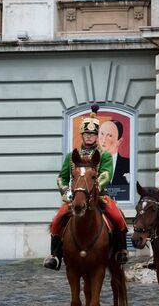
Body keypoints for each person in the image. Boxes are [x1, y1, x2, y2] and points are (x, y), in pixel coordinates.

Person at [44, 105, 129, 270]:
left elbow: (106, 175)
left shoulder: (104, 155)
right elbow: (61, 178)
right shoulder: (71, 156)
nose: (89, 137)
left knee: (118, 218)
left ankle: (121, 251)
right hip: (75, 197)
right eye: (86, 134)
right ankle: (54, 255)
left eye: (92, 134)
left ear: (97, 136)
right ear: (82, 135)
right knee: (57, 220)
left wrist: (95, 188)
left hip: (99, 197)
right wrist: (66, 191)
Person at [99, 119, 130, 186]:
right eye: (102, 134)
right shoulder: (92, 164)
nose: (103, 140)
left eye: (109, 135)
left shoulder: (129, 165)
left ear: (119, 141)